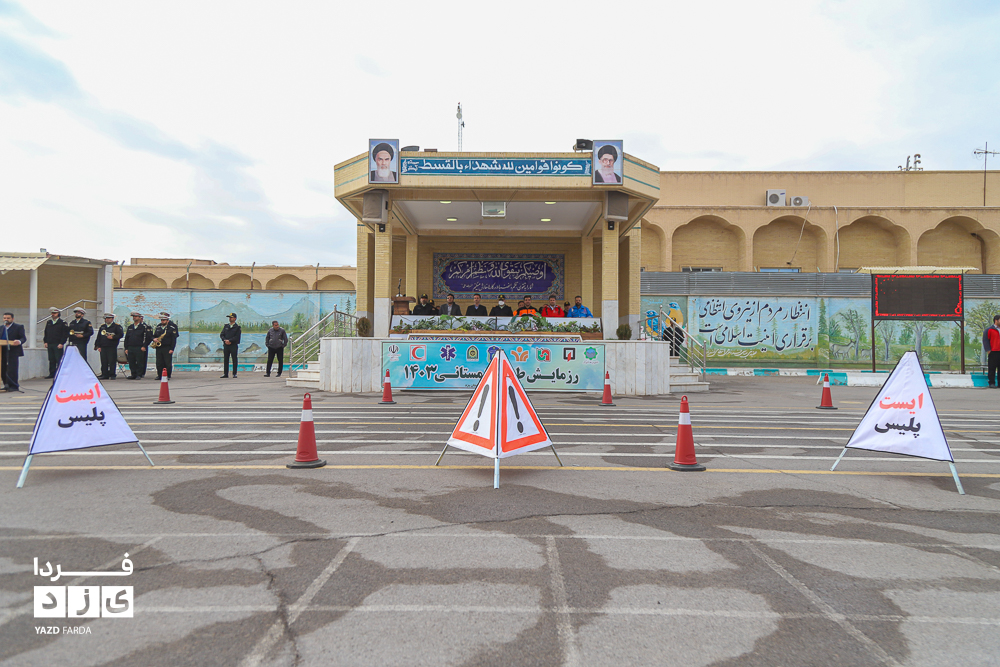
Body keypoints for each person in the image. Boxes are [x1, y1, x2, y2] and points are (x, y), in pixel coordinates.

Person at [1, 312, 26, 392]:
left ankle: (14, 386)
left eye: (8, 318)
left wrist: (19, 341)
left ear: (12, 319)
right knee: (3, 368)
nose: (6, 320)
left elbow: (23, 338)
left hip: (13, 351)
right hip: (2, 351)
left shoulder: (18, 327)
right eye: (5, 318)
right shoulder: (1, 328)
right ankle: (6, 385)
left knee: (12, 369)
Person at [123, 311, 153, 379]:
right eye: (133, 316)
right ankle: (133, 374)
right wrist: (126, 348)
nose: (134, 318)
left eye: (136, 316)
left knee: (140, 361)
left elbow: (148, 337)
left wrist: (144, 346)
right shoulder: (130, 327)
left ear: (140, 318)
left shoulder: (144, 327)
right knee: (131, 361)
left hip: (139, 347)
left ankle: (139, 374)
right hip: (131, 347)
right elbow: (127, 338)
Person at [94, 313, 124, 380]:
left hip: (111, 346)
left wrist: (113, 337)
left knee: (112, 361)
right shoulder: (102, 326)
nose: (107, 319)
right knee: (104, 361)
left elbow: (120, 335)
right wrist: (98, 346)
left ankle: (112, 374)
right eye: (106, 318)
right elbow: (99, 337)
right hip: (103, 346)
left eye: (109, 318)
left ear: (112, 319)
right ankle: (104, 374)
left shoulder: (116, 326)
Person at [43, 307, 69, 378]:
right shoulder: (49, 322)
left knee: (58, 359)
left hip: (58, 344)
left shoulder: (62, 323)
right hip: (50, 343)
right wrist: (45, 341)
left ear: (58, 314)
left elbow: (65, 334)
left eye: (54, 313)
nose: (53, 314)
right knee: (51, 359)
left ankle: (59, 374)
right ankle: (52, 374)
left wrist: (61, 343)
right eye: (52, 313)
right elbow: (46, 333)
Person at [152, 312, 178, 380]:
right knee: (159, 362)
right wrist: (154, 339)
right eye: (161, 320)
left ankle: (167, 375)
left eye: (164, 320)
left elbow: (173, 339)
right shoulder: (158, 327)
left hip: (167, 347)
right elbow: (154, 335)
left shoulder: (171, 328)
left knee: (167, 362)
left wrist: (172, 349)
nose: (162, 321)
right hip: (159, 347)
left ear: (167, 320)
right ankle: (159, 375)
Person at [220, 313, 241, 378]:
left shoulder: (237, 327)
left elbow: (237, 337)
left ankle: (234, 373)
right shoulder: (226, 326)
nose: (230, 318)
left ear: (235, 318)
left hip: (233, 345)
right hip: (226, 345)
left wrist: (230, 340)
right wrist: (225, 340)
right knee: (226, 359)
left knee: (234, 359)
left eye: (231, 317)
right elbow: (222, 334)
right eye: (229, 317)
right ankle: (225, 374)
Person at [985, 315, 1000, 387]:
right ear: (996, 320)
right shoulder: (989, 329)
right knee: (992, 368)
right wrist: (988, 350)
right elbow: (985, 340)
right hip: (993, 352)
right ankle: (992, 383)